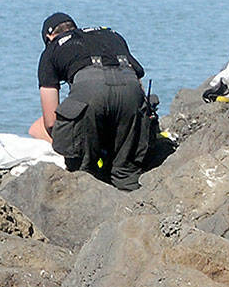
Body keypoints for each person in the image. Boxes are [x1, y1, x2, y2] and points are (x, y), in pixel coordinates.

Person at [37, 13, 151, 191]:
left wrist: (72, 141)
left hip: (89, 90)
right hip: (130, 88)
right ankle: (133, 205)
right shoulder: (111, 34)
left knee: (84, 172)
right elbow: (138, 84)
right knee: (126, 171)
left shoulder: (52, 48)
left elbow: (51, 122)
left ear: (48, 37)